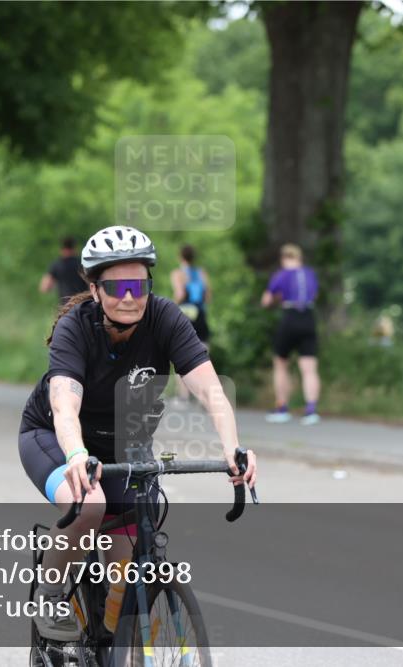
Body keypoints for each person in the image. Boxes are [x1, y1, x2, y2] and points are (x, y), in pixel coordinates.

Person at [18, 225, 257, 641]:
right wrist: (76, 456)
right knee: (90, 505)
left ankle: (112, 641)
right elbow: (64, 404)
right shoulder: (76, 328)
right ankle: (51, 592)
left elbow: (210, 389)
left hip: (124, 443)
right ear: (95, 290)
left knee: (124, 573)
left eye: (139, 284)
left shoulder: (165, 318)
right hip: (53, 437)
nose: (129, 296)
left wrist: (234, 448)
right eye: (116, 286)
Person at [261, 244, 321, 425]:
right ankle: (311, 409)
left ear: (284, 258)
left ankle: (282, 407)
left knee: (280, 363)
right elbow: (315, 294)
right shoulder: (310, 274)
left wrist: (277, 299)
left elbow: (266, 301)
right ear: (300, 258)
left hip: (290, 317)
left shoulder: (282, 274)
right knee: (309, 367)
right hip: (308, 317)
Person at [170, 244, 211, 403]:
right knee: (204, 351)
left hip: (185, 313)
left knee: (179, 352)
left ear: (180, 257)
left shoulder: (178, 273)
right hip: (200, 313)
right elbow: (207, 296)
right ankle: (205, 393)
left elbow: (180, 293)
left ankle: (183, 396)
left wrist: (170, 307)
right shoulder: (201, 273)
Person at [40, 236, 88, 304]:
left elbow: (45, 287)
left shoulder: (57, 265)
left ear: (62, 249)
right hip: (82, 303)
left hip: (65, 305)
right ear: (74, 248)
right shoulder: (82, 264)